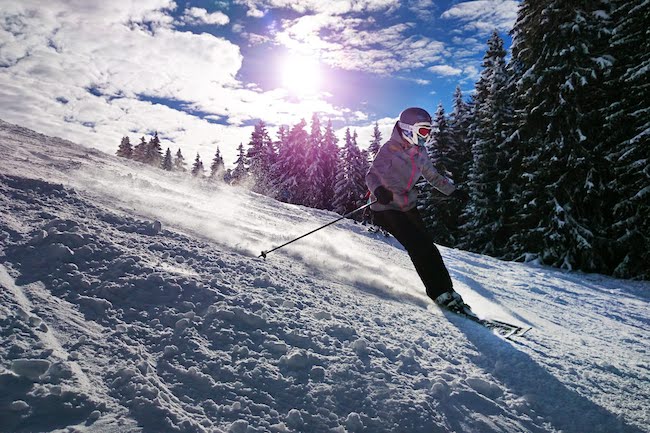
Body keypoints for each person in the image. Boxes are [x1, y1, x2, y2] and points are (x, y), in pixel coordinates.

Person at [366, 107, 469, 312]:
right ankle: (438, 292)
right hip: (386, 207)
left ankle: (448, 290)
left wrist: (452, 191)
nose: (426, 136)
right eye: (423, 131)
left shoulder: (420, 152)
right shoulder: (390, 148)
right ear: (407, 128)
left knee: (429, 247)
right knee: (418, 246)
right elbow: (371, 175)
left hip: (407, 205)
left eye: (428, 132)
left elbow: (432, 176)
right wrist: (378, 190)